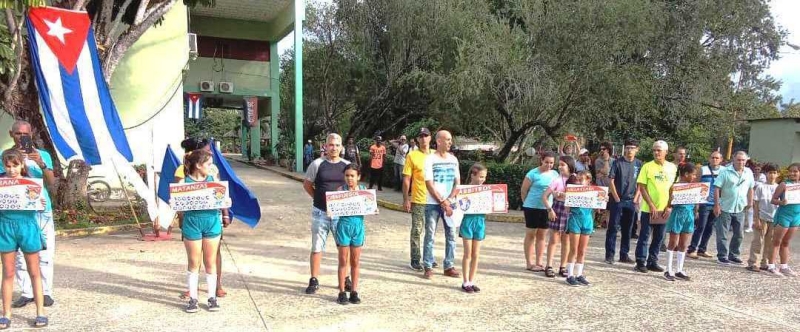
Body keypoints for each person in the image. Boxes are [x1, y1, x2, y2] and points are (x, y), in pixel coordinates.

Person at [3, 121, 56, 309]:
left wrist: (40, 164)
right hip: (17, 214)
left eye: (25, 134)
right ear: (11, 134)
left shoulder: (42, 155)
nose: (21, 137)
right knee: (18, 256)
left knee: (45, 253)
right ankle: (26, 292)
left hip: (41, 211)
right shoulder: (5, 157)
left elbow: (51, 182)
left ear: (31, 134)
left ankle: (46, 291)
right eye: (18, 134)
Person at [176, 138, 229, 299]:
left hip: (212, 221)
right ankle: (193, 294)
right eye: (207, 151)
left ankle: (214, 291)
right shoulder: (182, 175)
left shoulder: (213, 174)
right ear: (198, 162)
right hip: (192, 222)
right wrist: (179, 215)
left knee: (212, 259)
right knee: (194, 260)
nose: (211, 153)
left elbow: (221, 194)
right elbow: (179, 200)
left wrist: (225, 211)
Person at [0, 150, 48, 328]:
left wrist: (41, 204)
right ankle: (6, 314)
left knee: (34, 271)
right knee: (8, 272)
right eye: (8, 166)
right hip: (5, 227)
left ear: (22, 165)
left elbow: (38, 204)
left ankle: (41, 311)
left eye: (15, 165)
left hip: (27, 227)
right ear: (4, 165)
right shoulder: (1, 183)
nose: (12, 169)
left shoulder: (30, 182)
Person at [303, 133, 351, 294]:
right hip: (320, 213)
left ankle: (345, 279)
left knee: (344, 247)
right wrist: (319, 199)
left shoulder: (347, 165)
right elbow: (308, 185)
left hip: (340, 215)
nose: (334, 148)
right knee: (317, 247)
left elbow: (352, 186)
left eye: (337, 145)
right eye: (331, 145)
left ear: (341, 147)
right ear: (326, 146)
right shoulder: (316, 164)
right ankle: (314, 279)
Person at [422, 130, 461, 279]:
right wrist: (442, 201)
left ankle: (449, 265)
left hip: (450, 203)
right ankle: (428, 265)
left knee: (451, 234)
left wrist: (450, 200)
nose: (450, 142)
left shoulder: (453, 159)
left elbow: (457, 182)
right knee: (430, 234)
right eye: (448, 139)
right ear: (439, 141)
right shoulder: (430, 159)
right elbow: (429, 184)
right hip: (433, 203)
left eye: (451, 139)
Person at [634, 140, 677, 273]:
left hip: (664, 209)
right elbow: (642, 187)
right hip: (649, 209)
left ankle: (653, 261)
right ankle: (640, 262)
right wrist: (651, 204)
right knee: (645, 236)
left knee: (659, 237)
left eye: (659, 150)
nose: (656, 152)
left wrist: (670, 206)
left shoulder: (672, 167)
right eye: (654, 150)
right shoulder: (647, 166)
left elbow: (673, 188)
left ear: (666, 152)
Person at [334, 164, 370, 304]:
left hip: (358, 227)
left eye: (352, 176)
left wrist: (373, 209)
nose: (349, 178)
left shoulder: (363, 191)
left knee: (355, 261)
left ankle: (354, 291)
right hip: (343, 227)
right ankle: (342, 291)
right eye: (347, 175)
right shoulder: (339, 191)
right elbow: (333, 208)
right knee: (343, 261)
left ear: (358, 177)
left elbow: (369, 206)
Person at [713, 151, 754, 265]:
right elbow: (716, 188)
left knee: (739, 234)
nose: (741, 162)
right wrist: (716, 205)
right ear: (733, 160)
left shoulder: (748, 172)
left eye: (743, 160)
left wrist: (750, 201)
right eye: (739, 160)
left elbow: (751, 188)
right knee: (723, 234)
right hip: (725, 207)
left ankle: (734, 255)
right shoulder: (725, 171)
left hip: (740, 207)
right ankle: (722, 255)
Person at [520, 152, 559, 272]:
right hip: (532, 207)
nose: (549, 165)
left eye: (551, 163)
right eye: (546, 162)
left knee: (542, 235)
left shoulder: (554, 174)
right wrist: (526, 204)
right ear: (541, 160)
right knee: (531, 234)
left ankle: (539, 262)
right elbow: (524, 190)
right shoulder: (532, 173)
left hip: (547, 208)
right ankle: (529, 263)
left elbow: (556, 189)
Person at [605, 139, 642, 265]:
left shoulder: (639, 164)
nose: (630, 150)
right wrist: (616, 197)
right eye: (627, 147)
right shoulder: (617, 162)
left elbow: (641, 183)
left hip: (631, 200)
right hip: (618, 199)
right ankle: (610, 255)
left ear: (637, 149)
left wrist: (636, 198)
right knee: (613, 228)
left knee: (628, 229)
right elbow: (611, 180)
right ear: (624, 149)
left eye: (632, 147)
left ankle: (624, 254)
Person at [403, 128, 433, 271]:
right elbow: (407, 179)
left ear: (430, 138)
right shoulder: (412, 156)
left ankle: (429, 258)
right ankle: (415, 259)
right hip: (418, 198)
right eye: (420, 136)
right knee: (417, 229)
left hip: (434, 199)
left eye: (425, 136)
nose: (423, 139)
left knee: (431, 230)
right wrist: (406, 198)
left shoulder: (436, 155)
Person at [541, 156, 576, 278]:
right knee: (554, 239)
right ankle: (549, 266)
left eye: (563, 165)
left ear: (569, 166)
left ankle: (563, 266)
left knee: (566, 240)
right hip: (558, 208)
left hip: (571, 210)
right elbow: (544, 197)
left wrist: (566, 195)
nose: (560, 167)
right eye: (559, 164)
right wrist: (550, 210)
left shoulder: (576, 179)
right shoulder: (556, 180)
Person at [663, 163, 698, 281]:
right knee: (673, 242)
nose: (694, 177)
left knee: (684, 244)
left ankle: (679, 269)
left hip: (689, 214)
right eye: (693, 175)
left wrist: (696, 209)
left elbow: (697, 200)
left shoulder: (694, 187)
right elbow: (669, 203)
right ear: (686, 174)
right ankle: (668, 269)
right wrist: (671, 201)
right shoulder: (675, 186)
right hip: (678, 214)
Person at [460, 163, 491, 293]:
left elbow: (489, 208)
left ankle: (472, 281)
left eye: (484, 177)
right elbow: (460, 206)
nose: (482, 180)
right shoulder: (464, 190)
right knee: (468, 253)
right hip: (468, 221)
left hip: (480, 221)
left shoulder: (486, 190)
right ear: (473, 174)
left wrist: (500, 204)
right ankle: (465, 281)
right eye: (480, 176)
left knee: (476, 254)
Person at [687, 152, 723, 259]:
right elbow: (696, 185)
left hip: (717, 203)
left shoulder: (724, 171)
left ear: (721, 159)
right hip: (704, 202)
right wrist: (696, 204)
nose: (714, 160)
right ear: (709, 158)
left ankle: (702, 249)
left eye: (717, 158)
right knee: (701, 226)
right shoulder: (702, 169)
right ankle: (692, 249)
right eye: (712, 158)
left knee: (710, 227)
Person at [767, 162, 800, 276]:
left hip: (796, 217)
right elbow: (773, 200)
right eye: (790, 171)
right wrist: (781, 202)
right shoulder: (784, 185)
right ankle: (771, 266)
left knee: (786, 242)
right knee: (776, 242)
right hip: (784, 216)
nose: (792, 173)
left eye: (795, 171)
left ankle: (784, 266)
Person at [564, 171, 596, 287]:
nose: (578, 181)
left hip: (587, 220)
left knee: (582, 250)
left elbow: (598, 206)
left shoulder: (593, 192)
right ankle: (570, 275)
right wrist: (567, 199)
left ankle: (579, 274)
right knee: (574, 249)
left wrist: (603, 199)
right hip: (575, 219)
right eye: (577, 179)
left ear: (588, 180)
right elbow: (567, 209)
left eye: (581, 179)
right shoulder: (572, 191)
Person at [746, 163, 779, 272]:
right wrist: (756, 219)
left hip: (774, 219)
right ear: (766, 174)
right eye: (770, 173)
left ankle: (765, 263)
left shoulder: (779, 188)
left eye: (774, 173)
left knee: (770, 242)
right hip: (762, 217)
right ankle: (753, 262)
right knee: (757, 241)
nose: (772, 175)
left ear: (777, 174)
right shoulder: (761, 187)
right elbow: (756, 203)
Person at [594, 142, 614, 228]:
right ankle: (594, 226)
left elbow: (610, 174)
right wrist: (606, 161)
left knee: (609, 209)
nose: (601, 151)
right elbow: (606, 172)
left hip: (610, 188)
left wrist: (604, 173)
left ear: (608, 150)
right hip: (600, 188)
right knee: (598, 208)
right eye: (601, 149)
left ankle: (609, 227)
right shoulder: (598, 161)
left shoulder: (613, 161)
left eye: (604, 149)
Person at [744, 162, 765, 233]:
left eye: (758, 169)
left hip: (760, 196)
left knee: (758, 210)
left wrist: (754, 184)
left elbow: (761, 185)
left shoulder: (763, 176)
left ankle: (758, 224)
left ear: (761, 170)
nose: (756, 171)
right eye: (755, 169)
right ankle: (750, 227)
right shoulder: (752, 175)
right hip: (750, 194)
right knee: (750, 210)